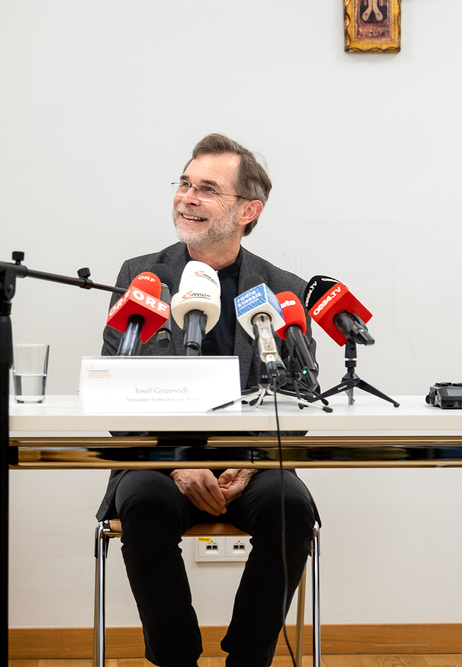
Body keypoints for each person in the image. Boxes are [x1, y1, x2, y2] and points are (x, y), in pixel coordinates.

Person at [96, 133, 320, 667]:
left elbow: (301, 396)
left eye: (207, 189)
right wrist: (175, 464)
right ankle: (176, 659)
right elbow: (114, 389)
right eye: (184, 184)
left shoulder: (282, 286)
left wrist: (251, 462)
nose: (187, 198)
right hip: (157, 458)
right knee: (144, 503)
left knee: (291, 507)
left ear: (248, 211)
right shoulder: (142, 276)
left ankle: (248, 659)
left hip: (252, 460)